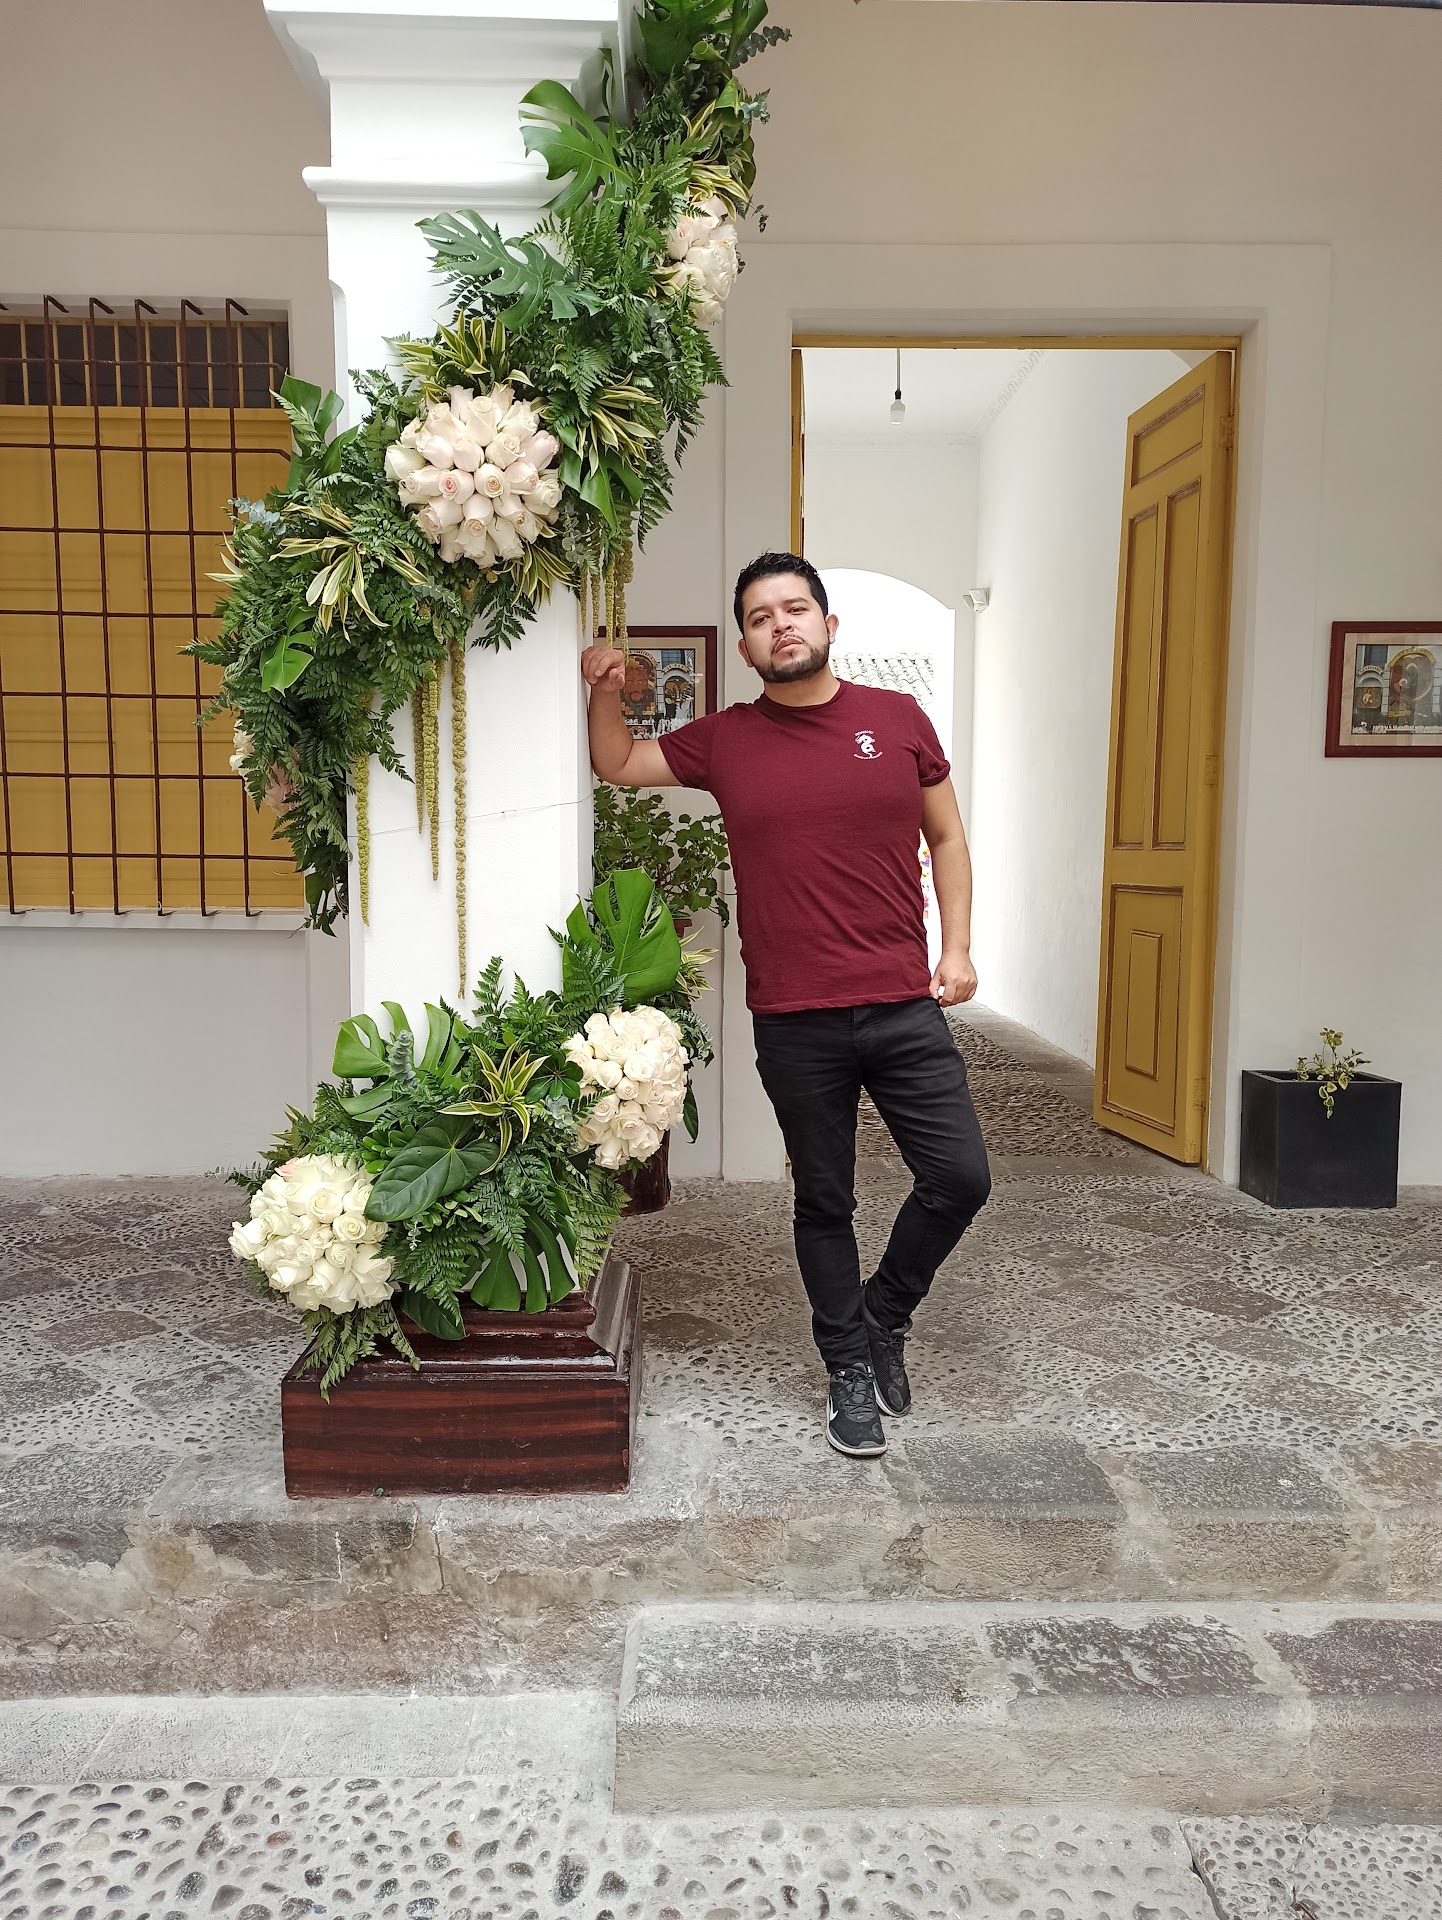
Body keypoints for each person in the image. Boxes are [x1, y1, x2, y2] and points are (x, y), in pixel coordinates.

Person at [581, 552, 991, 1458]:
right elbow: (617, 762)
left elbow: (949, 837)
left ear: (829, 624)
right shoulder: (726, 740)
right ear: (745, 647)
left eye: (795, 609)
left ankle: (884, 1314)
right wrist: (605, 688)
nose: (782, 625)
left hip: (902, 1002)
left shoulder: (898, 719)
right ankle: (847, 1366)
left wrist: (957, 948)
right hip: (796, 1018)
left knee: (961, 1178)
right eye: (762, 618)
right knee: (825, 1199)